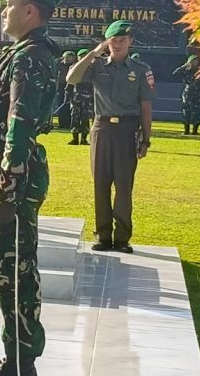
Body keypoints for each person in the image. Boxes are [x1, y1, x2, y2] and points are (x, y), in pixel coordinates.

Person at [0, 0, 60, 376]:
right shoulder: (24, 53)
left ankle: (23, 367)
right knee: (3, 272)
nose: (4, 12)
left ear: (29, 11)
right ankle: (14, 360)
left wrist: (5, 188)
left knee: (16, 274)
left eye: (9, 5)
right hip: (4, 170)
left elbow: (18, 126)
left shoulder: (30, 57)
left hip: (14, 180)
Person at [66, 20, 154, 253]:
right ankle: (103, 236)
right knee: (100, 184)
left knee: (124, 187)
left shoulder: (140, 69)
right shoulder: (97, 66)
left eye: (122, 40)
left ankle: (122, 238)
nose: (117, 44)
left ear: (130, 42)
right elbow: (71, 78)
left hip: (127, 130)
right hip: (101, 130)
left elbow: (145, 107)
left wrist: (146, 139)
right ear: (107, 42)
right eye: (113, 40)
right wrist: (94, 53)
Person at [172, 55, 200, 135]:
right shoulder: (186, 71)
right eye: (192, 61)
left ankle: (195, 130)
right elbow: (174, 73)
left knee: (196, 112)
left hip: (197, 94)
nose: (195, 63)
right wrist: (184, 66)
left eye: (196, 61)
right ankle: (186, 130)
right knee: (186, 112)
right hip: (187, 93)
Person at [67, 48, 94, 146]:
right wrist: (68, 93)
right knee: (74, 116)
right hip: (76, 95)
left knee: (85, 118)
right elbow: (69, 82)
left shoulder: (92, 68)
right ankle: (74, 138)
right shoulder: (73, 67)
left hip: (88, 96)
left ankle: (83, 139)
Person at [54, 50, 76, 129]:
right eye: (68, 58)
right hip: (60, 86)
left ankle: (69, 123)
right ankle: (62, 123)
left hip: (72, 86)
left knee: (70, 105)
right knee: (61, 104)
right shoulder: (57, 63)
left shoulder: (75, 65)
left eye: (71, 58)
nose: (69, 59)